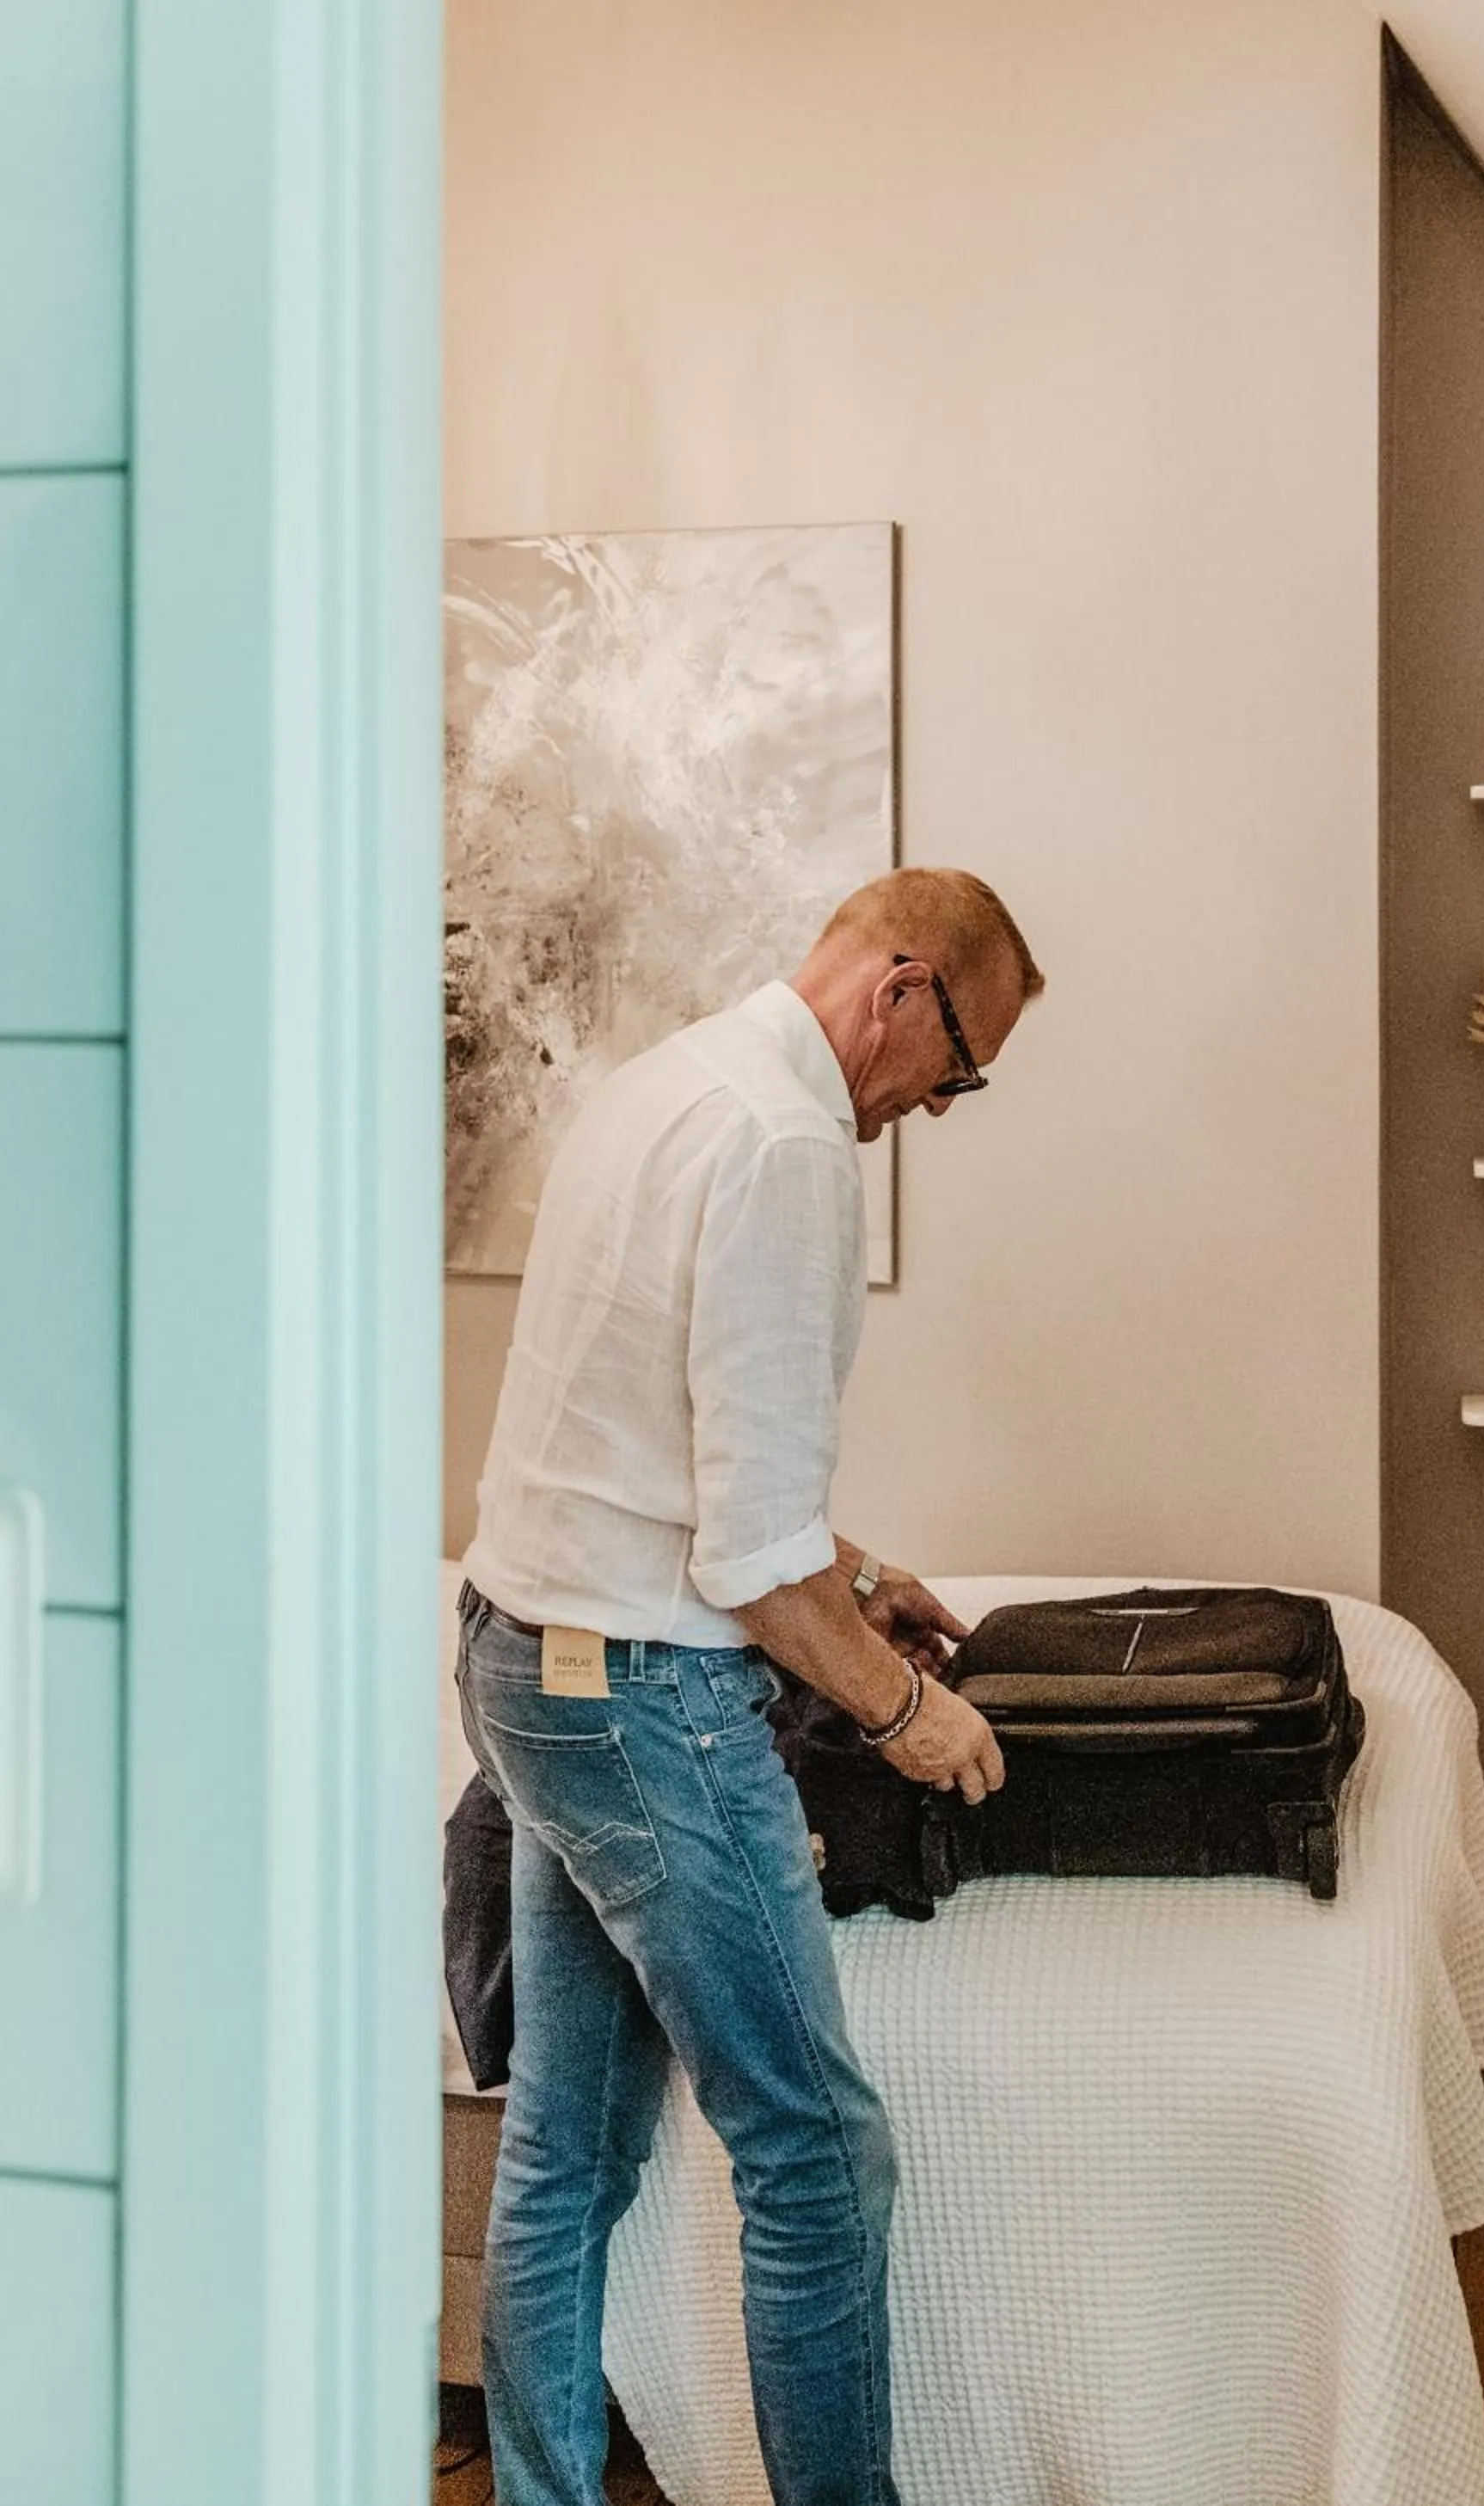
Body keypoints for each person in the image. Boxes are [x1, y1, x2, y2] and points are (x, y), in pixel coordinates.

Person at [455, 867, 1045, 2506]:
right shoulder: (788, 1144)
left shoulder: (670, 1079)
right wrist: (910, 1711)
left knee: (567, 2149)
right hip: (637, 1702)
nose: (940, 1102)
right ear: (904, 989)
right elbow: (750, 1569)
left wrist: (857, 1571)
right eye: (964, 1063)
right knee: (817, 2155)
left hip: (523, 1656)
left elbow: (675, 1450)